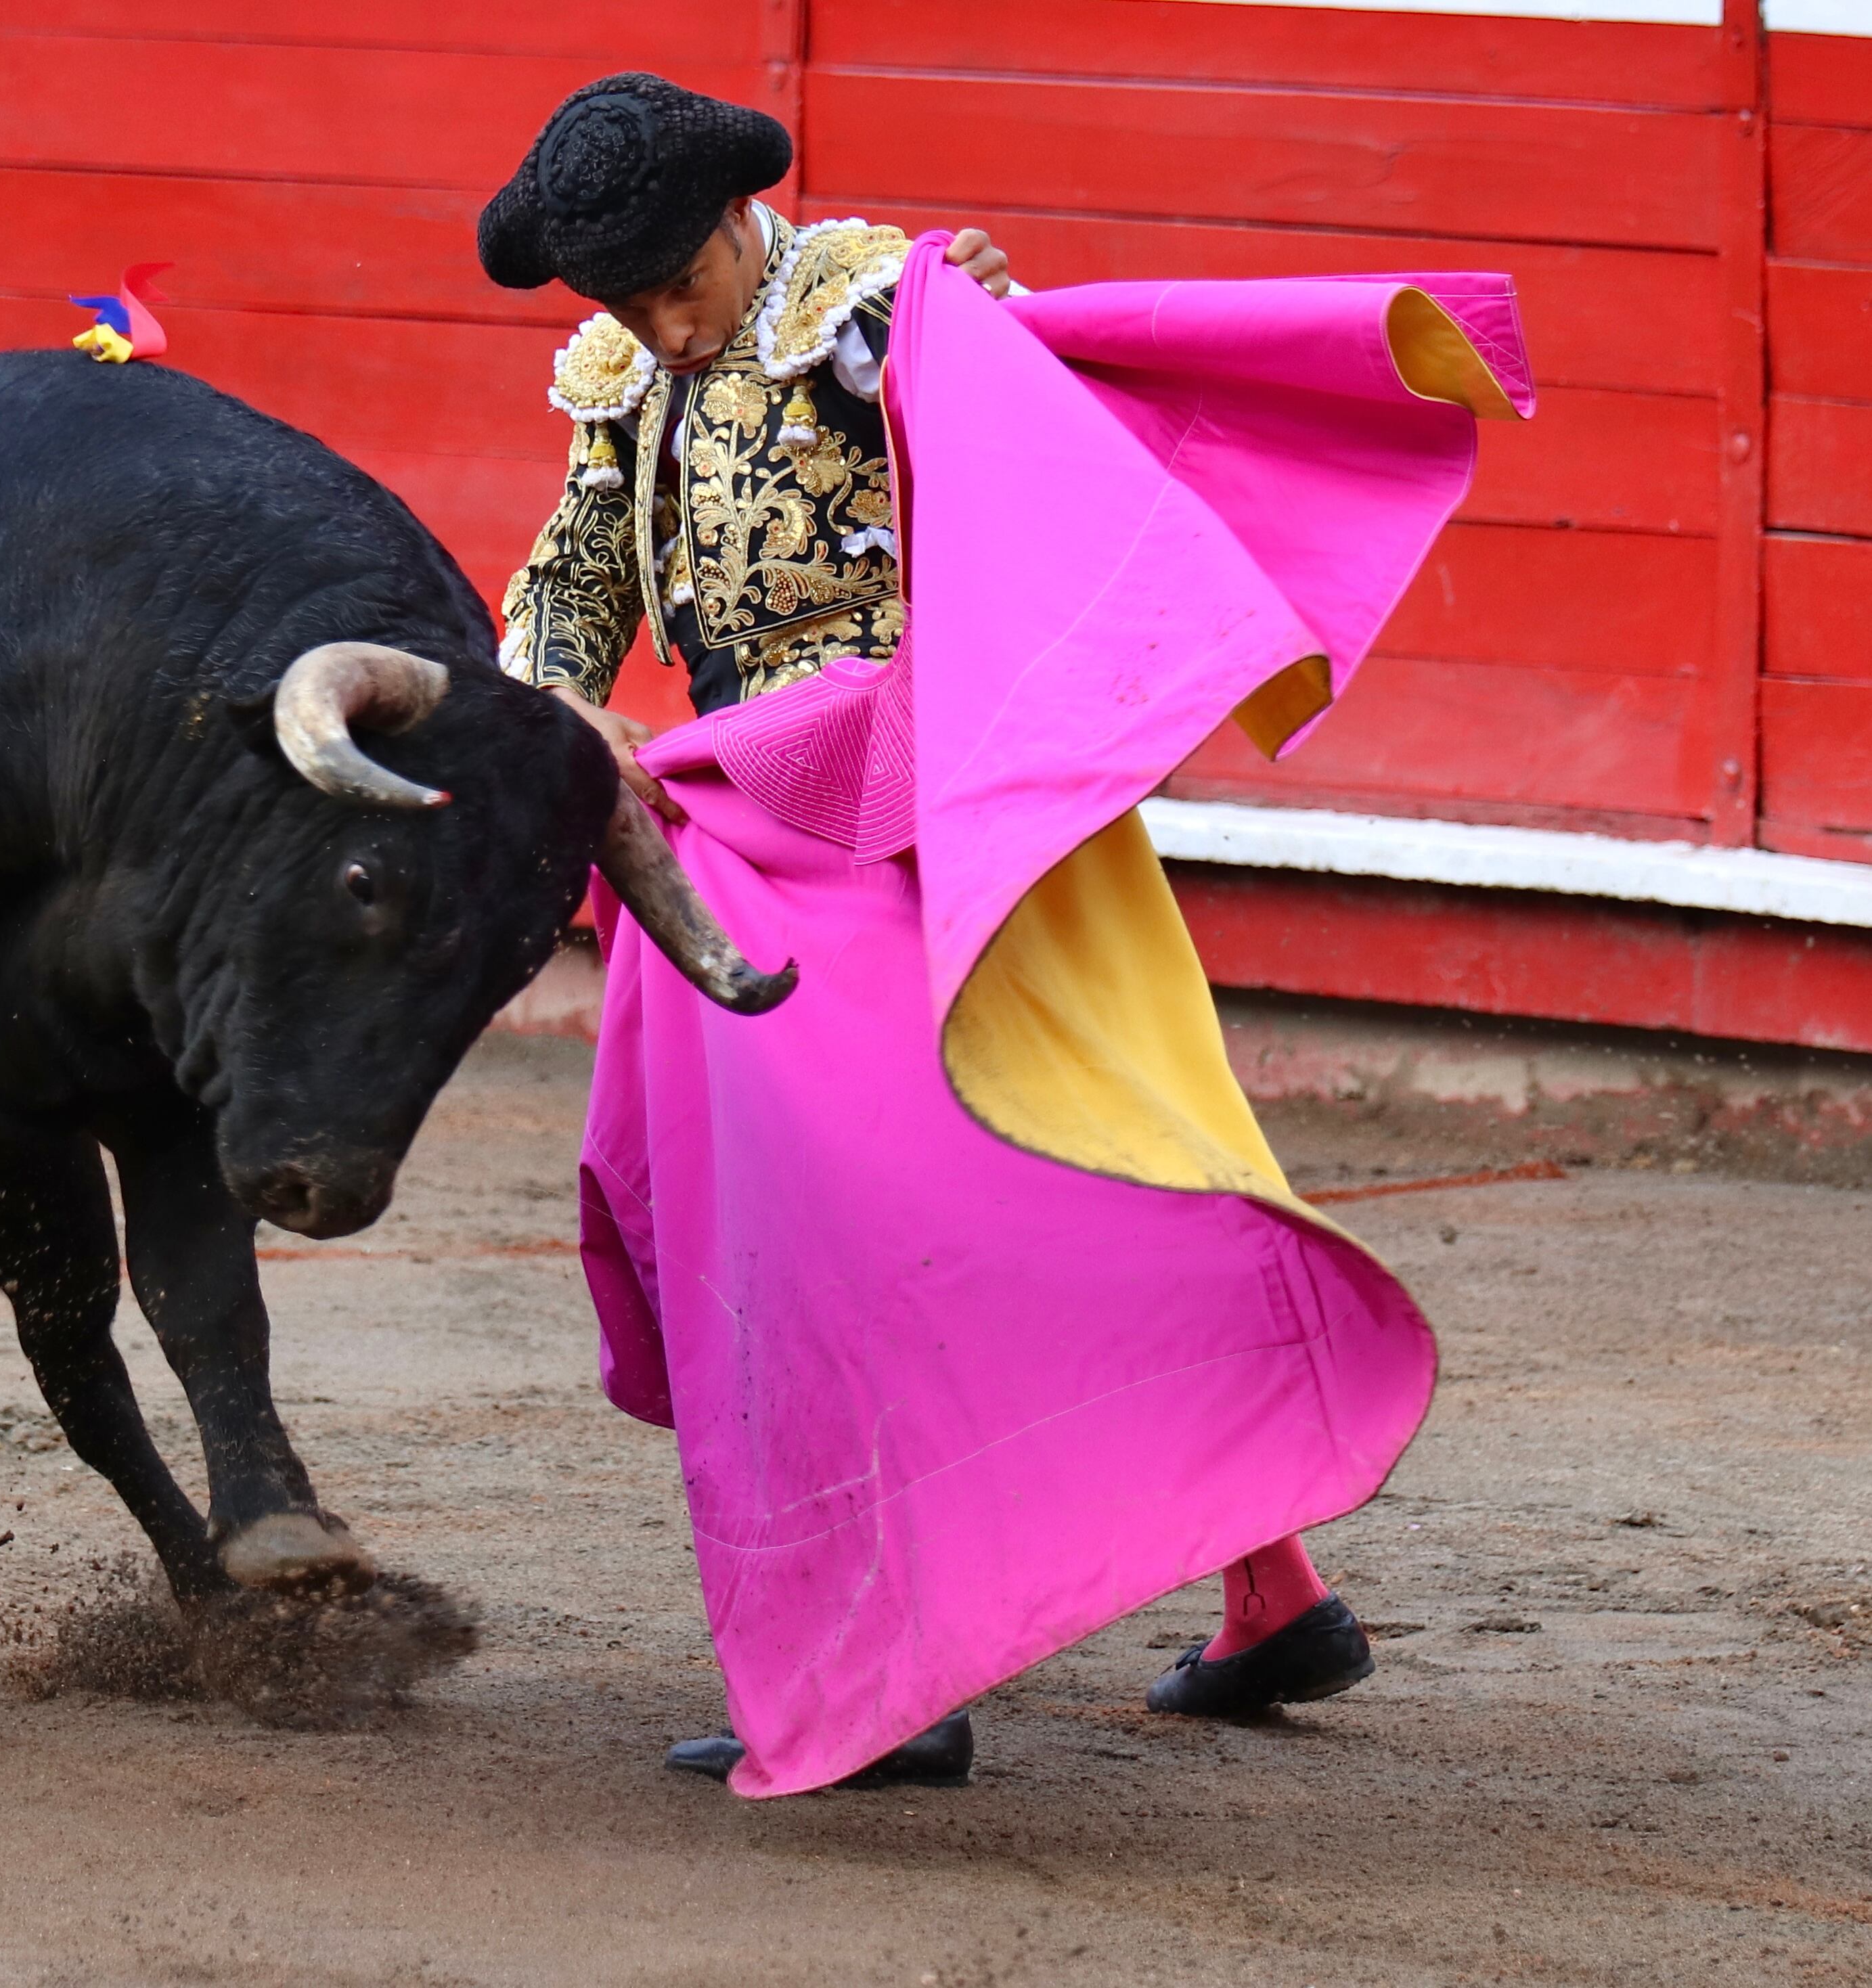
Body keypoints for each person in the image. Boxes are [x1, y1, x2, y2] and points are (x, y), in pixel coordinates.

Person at [476, 73, 1395, 1793]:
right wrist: (541, 711)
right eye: (624, 300)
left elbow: (1039, 463)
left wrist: (998, 334)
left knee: (866, 1215)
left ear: (742, 221)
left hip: (918, 806)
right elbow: (581, 578)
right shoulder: (627, 378)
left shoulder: (874, 309)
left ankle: (901, 1665)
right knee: (1022, 1174)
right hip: (741, 825)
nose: (662, 324)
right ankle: (1272, 1590)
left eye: (676, 279)